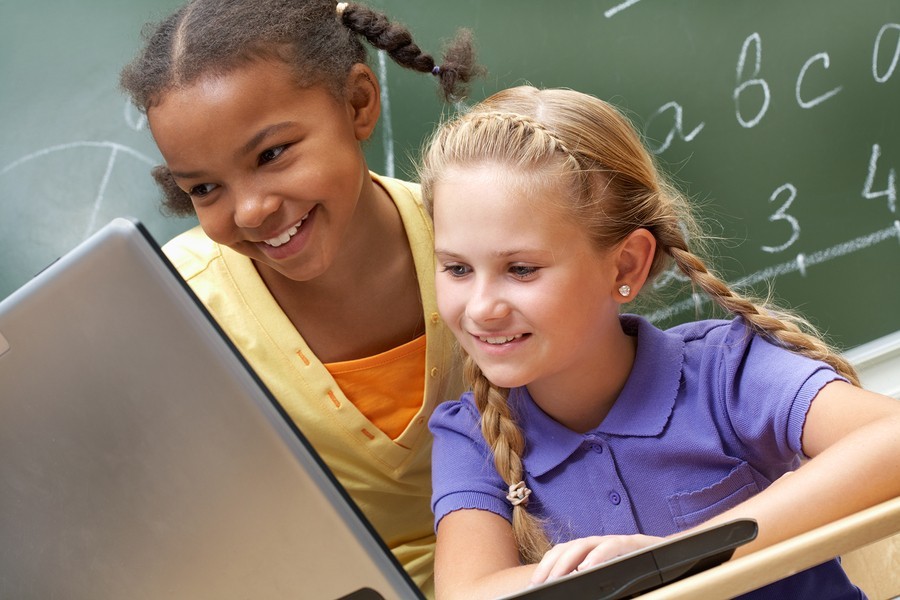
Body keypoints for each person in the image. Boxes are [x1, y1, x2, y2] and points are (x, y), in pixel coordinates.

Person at [418, 85, 900, 600]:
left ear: (626, 264)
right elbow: (468, 593)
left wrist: (678, 558)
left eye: (521, 269)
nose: (480, 307)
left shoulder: (726, 371)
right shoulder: (472, 436)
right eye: (457, 268)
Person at [119, 1, 483, 596]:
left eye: (272, 155)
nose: (251, 210)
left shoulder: (484, 239)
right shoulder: (171, 310)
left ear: (358, 104)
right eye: (205, 188)